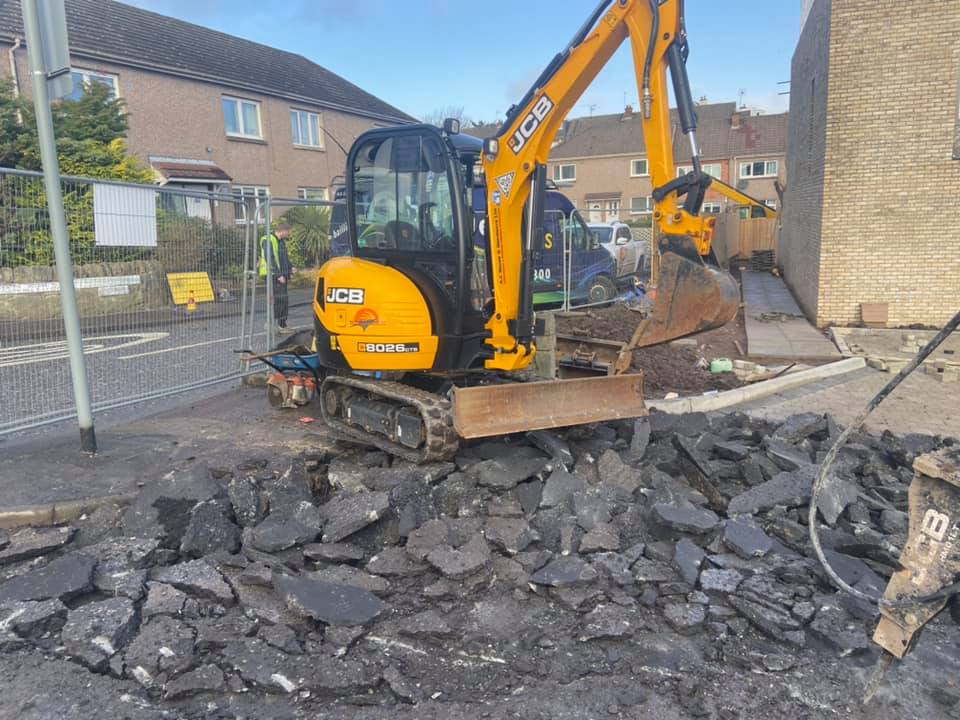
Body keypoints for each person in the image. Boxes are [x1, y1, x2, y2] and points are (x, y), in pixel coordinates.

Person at [259, 222, 294, 330]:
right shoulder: (268, 240)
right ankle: (272, 323)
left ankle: (281, 324)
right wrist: (279, 275)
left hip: (280, 274)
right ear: (283, 231)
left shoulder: (281, 241)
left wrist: (290, 268)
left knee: (283, 299)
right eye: (288, 232)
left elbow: (284, 258)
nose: (289, 234)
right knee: (279, 299)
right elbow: (270, 258)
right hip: (272, 275)